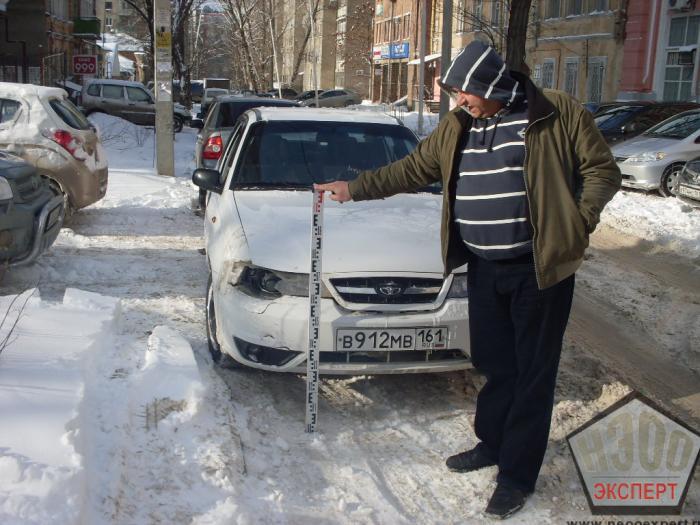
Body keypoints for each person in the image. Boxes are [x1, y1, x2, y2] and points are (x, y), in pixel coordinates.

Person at [315, 40, 621, 519]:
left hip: (539, 269)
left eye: (465, 93)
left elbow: (601, 170)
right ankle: (493, 443)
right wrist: (353, 189)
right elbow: (414, 168)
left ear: (492, 86)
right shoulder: (459, 125)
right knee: (496, 364)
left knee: (533, 375)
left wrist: (577, 223)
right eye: (456, 94)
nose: (460, 102)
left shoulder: (557, 113)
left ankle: (516, 476)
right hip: (481, 266)